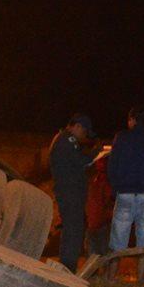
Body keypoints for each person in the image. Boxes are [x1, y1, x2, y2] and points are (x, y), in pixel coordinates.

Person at [105, 107, 144, 280]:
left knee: (118, 240)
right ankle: (140, 279)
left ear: (132, 120)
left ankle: (111, 279)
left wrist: (116, 187)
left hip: (125, 194)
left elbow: (111, 167)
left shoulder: (122, 137)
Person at [49, 113, 95, 272]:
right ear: (77, 127)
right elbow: (81, 161)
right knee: (73, 231)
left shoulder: (62, 139)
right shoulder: (67, 140)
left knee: (71, 230)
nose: (84, 137)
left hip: (68, 193)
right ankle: (68, 268)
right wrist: (96, 153)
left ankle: (66, 267)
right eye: (84, 132)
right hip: (70, 194)